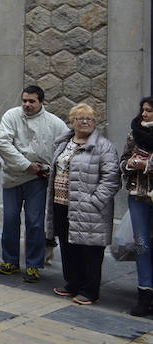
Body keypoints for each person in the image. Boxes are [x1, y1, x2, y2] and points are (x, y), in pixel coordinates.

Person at [45, 103, 118, 305]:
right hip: (62, 203)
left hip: (90, 209)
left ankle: (90, 290)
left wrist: (95, 201)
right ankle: (73, 283)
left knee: (91, 250)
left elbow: (112, 179)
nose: (85, 122)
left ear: (95, 123)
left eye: (90, 119)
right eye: (80, 118)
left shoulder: (104, 147)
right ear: (72, 122)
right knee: (69, 247)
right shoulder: (63, 143)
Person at [0, 85, 68, 282]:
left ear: (41, 102)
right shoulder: (11, 116)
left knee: (35, 223)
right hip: (13, 177)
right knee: (10, 220)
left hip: (38, 180)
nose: (27, 105)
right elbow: (3, 144)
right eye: (24, 100)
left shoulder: (54, 123)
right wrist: (27, 165)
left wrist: (49, 169)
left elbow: (67, 145)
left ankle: (34, 265)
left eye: (32, 101)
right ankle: (10, 261)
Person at [120, 96, 153, 315]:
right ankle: (144, 294)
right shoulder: (134, 133)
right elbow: (122, 160)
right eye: (143, 110)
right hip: (139, 197)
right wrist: (129, 164)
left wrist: (148, 164)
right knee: (142, 245)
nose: (144, 114)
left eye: (149, 111)